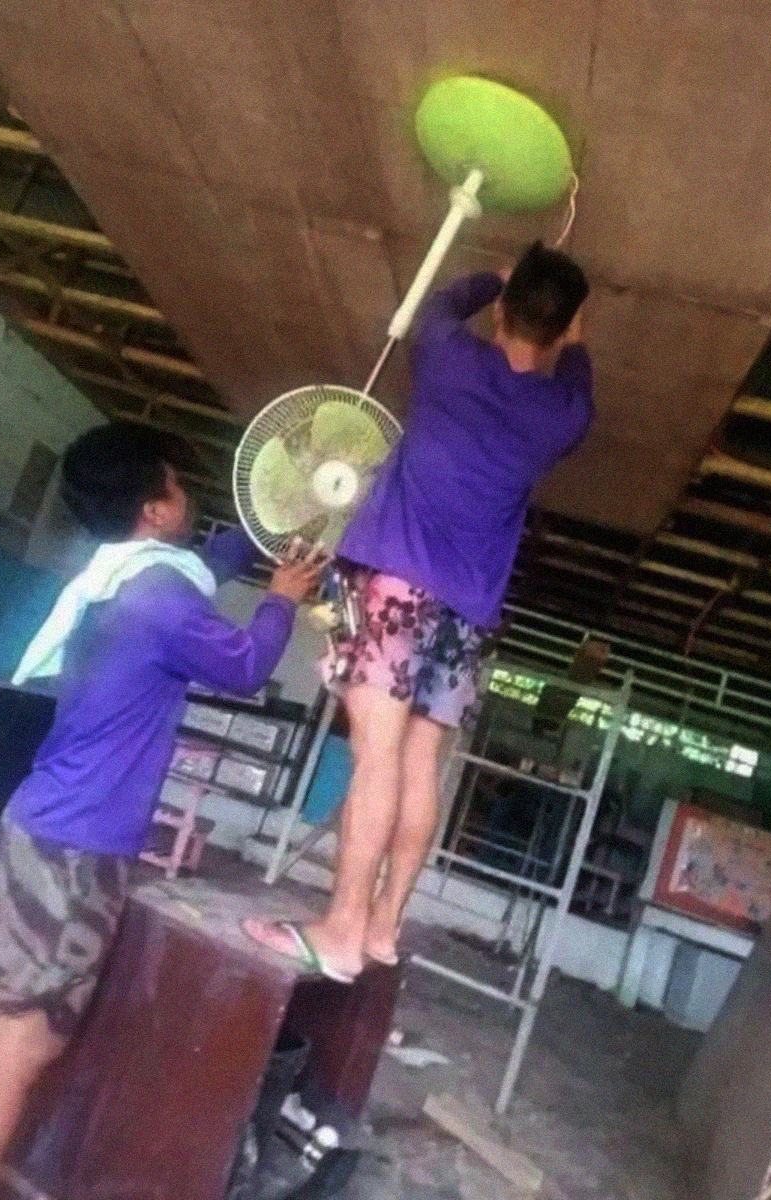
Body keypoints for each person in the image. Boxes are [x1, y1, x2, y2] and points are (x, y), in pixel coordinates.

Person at [0, 422, 324, 1200]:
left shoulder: (126, 575)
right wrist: (282, 602)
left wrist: (269, 517)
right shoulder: (160, 597)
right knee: (25, 1041)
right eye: (175, 483)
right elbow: (244, 666)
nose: (186, 494)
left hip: (45, 818)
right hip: (79, 848)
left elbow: (206, 563)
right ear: (154, 509)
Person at [245, 240, 594, 981]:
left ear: (502, 310)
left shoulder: (447, 358)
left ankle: (340, 931)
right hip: (468, 612)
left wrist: (492, 280)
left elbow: (435, 304)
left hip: (399, 585)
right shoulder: (561, 418)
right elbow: (578, 378)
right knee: (420, 764)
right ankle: (383, 929)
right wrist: (572, 334)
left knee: (375, 756)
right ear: (563, 330)